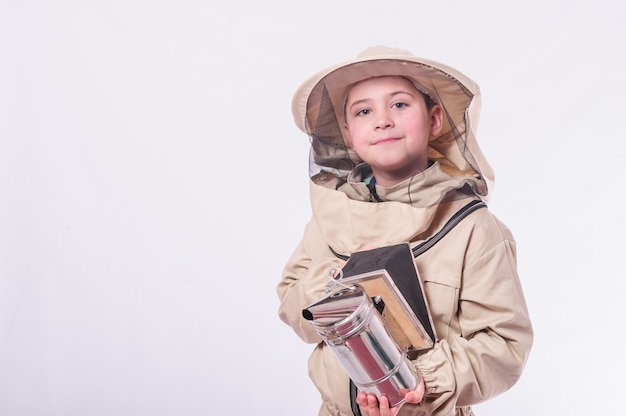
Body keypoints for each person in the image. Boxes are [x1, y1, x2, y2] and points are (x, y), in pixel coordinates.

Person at [277, 46, 533, 416]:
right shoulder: (330, 216)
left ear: (434, 120)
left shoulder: (474, 228)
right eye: (364, 111)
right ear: (349, 134)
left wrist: (418, 380)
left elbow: (505, 346)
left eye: (399, 105)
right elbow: (294, 309)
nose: (382, 120)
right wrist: (333, 285)